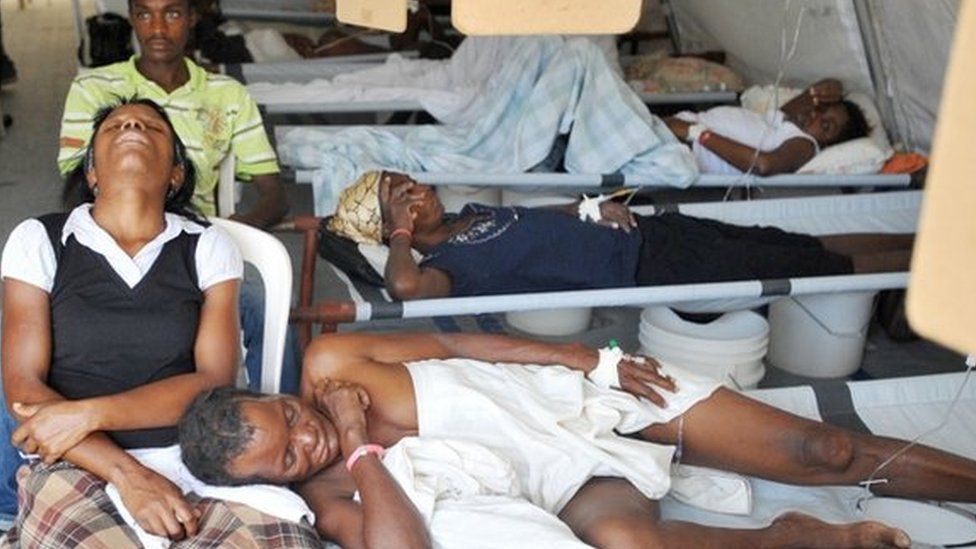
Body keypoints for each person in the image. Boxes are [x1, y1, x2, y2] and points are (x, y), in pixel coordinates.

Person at [178, 331, 976, 548]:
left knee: (823, 453)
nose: (306, 435)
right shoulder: (332, 492)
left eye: (291, 415)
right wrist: (353, 442)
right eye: (286, 456)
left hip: (582, 400)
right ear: (269, 481)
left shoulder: (332, 358)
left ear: (272, 389)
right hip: (562, 481)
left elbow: (467, 344)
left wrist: (590, 356)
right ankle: (794, 536)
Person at [0, 100, 319, 546]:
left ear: (175, 175)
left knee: (280, 539)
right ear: (92, 173)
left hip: (194, 455)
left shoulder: (206, 246)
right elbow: (24, 391)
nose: (132, 124)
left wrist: (91, 412)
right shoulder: (41, 240)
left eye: (152, 126)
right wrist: (128, 475)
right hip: (77, 459)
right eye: (115, 126)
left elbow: (213, 380)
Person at [56, 0, 298, 389]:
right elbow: (76, 184)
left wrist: (228, 236)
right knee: (29, 323)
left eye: (171, 13)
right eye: (145, 14)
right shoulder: (94, 89)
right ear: (133, 18)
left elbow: (274, 194)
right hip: (109, 234)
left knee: (262, 306)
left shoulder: (227, 95)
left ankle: (285, 419)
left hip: (195, 241)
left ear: (191, 18)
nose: (157, 28)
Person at [321, 170, 912, 300]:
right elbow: (402, 289)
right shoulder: (447, 265)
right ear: (397, 224)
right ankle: (933, 270)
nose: (421, 187)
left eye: (412, 182)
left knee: (797, 244)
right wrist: (400, 231)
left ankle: (926, 248)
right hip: (651, 271)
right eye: (406, 195)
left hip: (658, 234)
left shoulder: (468, 213)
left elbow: (544, 216)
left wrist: (590, 204)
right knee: (814, 269)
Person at [664, 78, 870, 176]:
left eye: (826, 126)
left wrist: (696, 132)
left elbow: (764, 165)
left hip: (682, 146)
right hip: (675, 128)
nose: (814, 118)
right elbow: (821, 89)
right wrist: (834, 87)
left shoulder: (804, 144)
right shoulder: (787, 122)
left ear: (828, 143)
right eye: (821, 110)